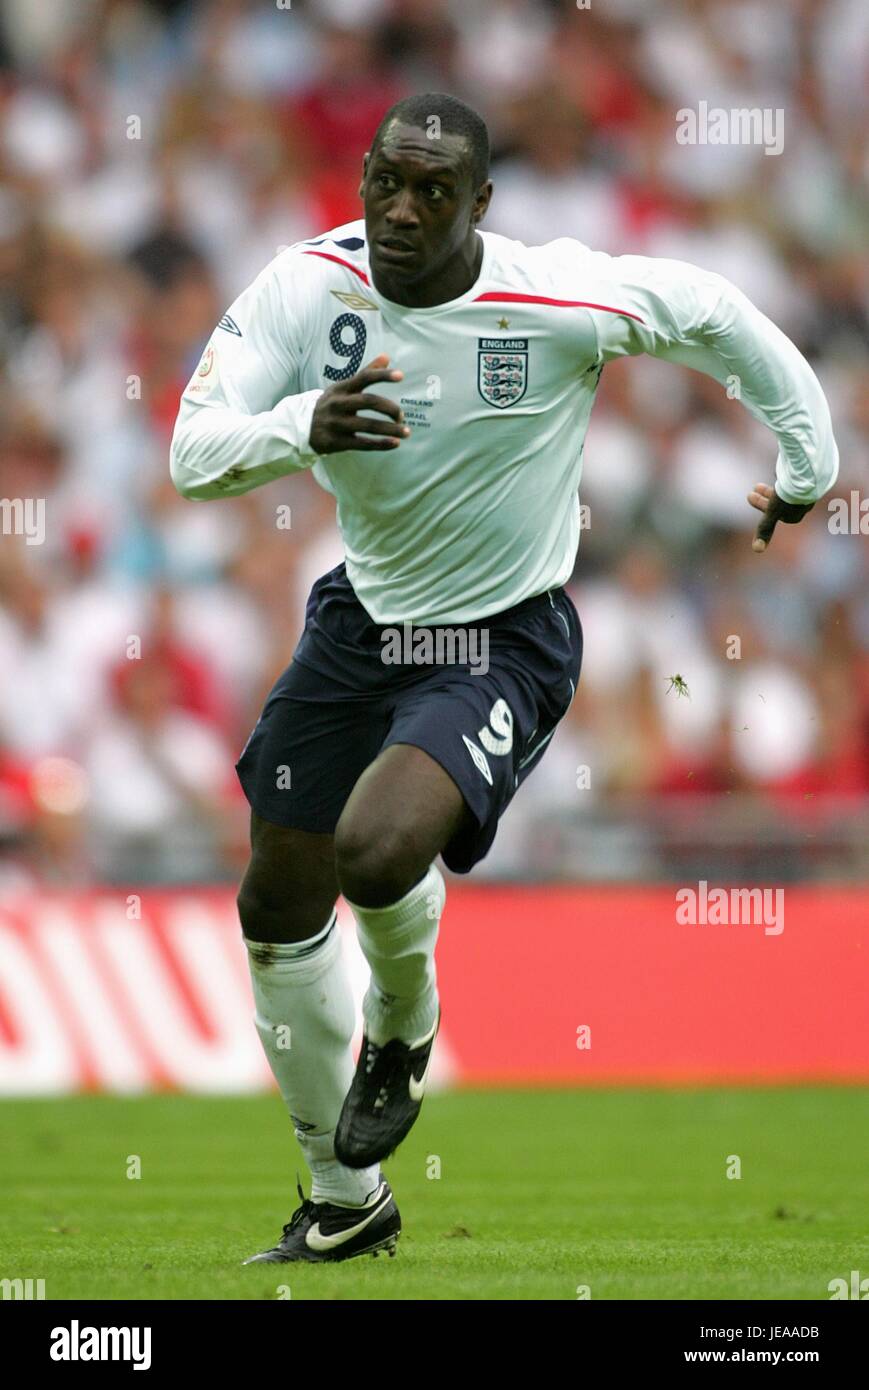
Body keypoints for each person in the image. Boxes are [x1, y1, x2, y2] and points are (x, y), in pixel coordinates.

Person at [169, 93, 838, 1263]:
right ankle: (342, 1197)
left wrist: (805, 461)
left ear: (480, 203)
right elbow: (190, 453)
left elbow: (713, 314)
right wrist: (300, 426)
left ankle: (404, 1022)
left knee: (375, 848)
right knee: (274, 898)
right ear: (363, 175)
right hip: (359, 623)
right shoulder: (305, 285)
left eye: (434, 191)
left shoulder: (555, 299)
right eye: (385, 179)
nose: (400, 209)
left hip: (499, 637)